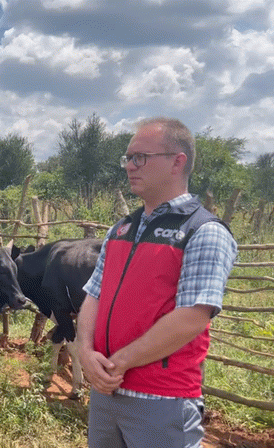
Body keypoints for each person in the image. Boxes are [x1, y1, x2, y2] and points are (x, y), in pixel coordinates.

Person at [77, 117, 237, 447]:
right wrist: (84, 351)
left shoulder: (203, 231)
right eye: (128, 158)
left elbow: (192, 317)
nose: (130, 167)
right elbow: (94, 294)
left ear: (178, 162)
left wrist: (116, 364)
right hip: (106, 392)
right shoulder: (120, 229)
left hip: (161, 399)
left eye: (140, 158)